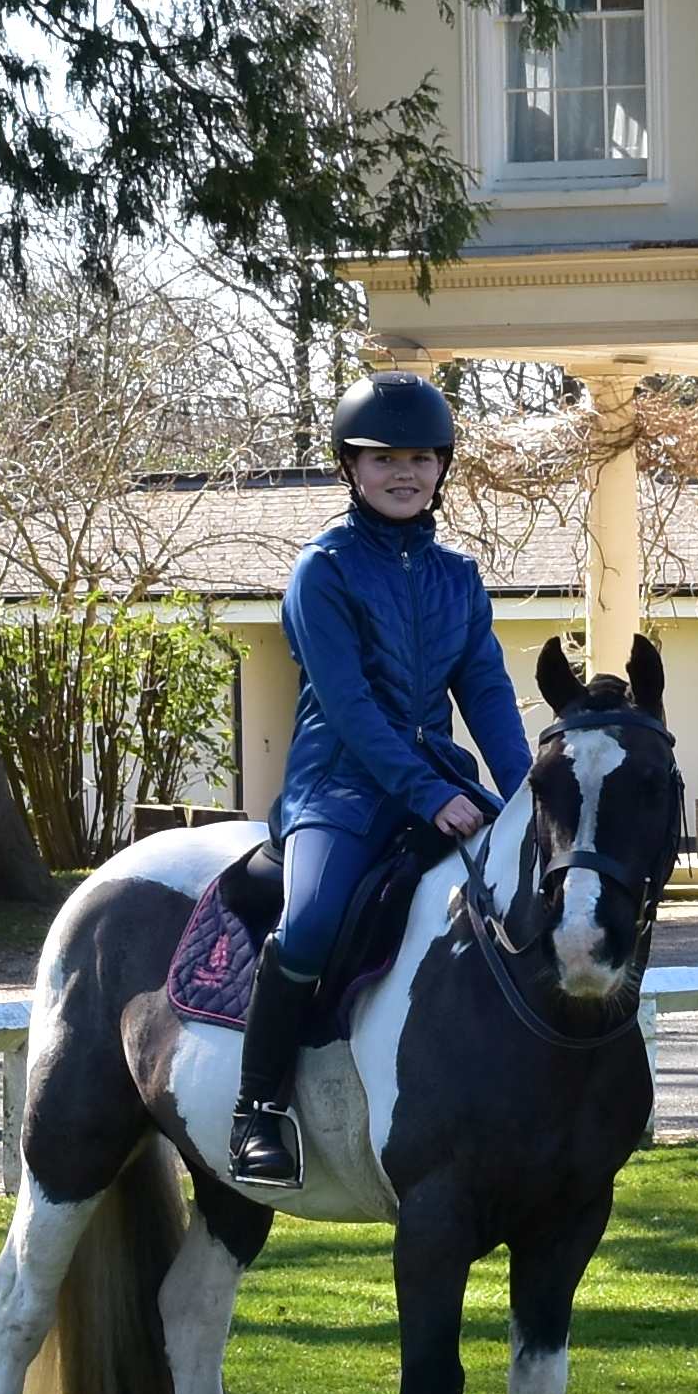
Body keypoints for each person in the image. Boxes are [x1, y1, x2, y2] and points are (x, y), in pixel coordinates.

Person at [235, 372, 528, 1188]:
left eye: (421, 457)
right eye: (384, 458)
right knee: (312, 924)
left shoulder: (459, 579)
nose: (405, 472)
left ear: (442, 467)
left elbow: (489, 695)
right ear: (351, 469)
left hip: (440, 779)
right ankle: (256, 1107)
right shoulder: (321, 571)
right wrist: (431, 795)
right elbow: (351, 709)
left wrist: (527, 794)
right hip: (340, 790)